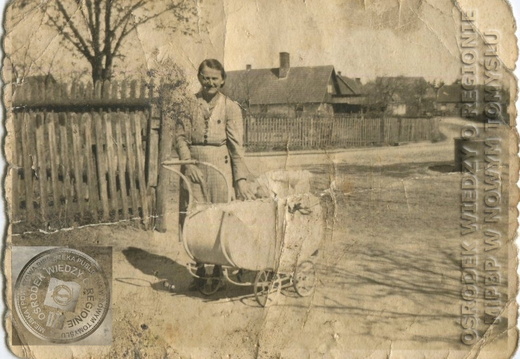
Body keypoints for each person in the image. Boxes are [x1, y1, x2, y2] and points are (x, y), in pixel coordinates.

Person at [175, 59, 256, 291]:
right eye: (205, 77)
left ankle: (220, 271)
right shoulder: (187, 105)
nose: (210, 82)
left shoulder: (231, 107)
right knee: (193, 218)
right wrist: (188, 164)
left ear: (222, 80)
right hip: (193, 169)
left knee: (219, 219)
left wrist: (240, 179)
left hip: (220, 168)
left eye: (214, 78)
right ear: (199, 78)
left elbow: (236, 147)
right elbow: (180, 137)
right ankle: (199, 271)